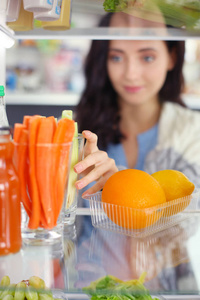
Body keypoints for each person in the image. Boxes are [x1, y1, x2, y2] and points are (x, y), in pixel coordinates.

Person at [73, 14, 200, 200]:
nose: (131, 74)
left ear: (171, 58)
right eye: (116, 58)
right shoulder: (76, 129)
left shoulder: (193, 131)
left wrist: (116, 182)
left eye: (147, 57)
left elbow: (188, 223)